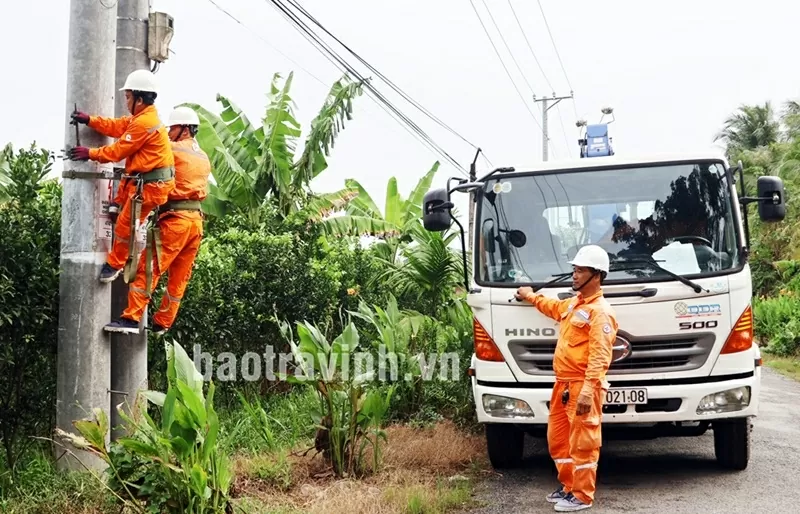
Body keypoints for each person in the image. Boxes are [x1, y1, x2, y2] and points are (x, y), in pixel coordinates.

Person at [514, 244, 618, 512]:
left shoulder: (600, 312)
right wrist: (529, 295)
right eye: (574, 269)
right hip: (562, 384)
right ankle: (569, 487)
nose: (574, 275)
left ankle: (582, 496)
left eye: (580, 270)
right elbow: (551, 306)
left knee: (584, 442)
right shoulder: (574, 304)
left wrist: (587, 390)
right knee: (558, 440)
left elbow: (600, 355)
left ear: (596, 275)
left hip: (583, 385)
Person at [104, 106, 211, 335]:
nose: (170, 132)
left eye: (173, 128)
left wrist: (121, 199)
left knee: (148, 268)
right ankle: (163, 322)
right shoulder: (202, 156)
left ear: (184, 129)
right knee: (179, 279)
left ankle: (131, 319)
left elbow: (145, 167)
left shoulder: (172, 149)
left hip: (176, 221)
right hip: (195, 223)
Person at [68, 69, 175, 283]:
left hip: (152, 186)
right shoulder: (141, 118)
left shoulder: (144, 123)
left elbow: (117, 151)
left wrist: (90, 153)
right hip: (145, 182)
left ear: (140, 98)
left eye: (128, 97)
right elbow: (116, 126)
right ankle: (122, 220)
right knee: (125, 215)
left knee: (126, 225)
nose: (126, 102)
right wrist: (90, 120)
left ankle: (115, 264)